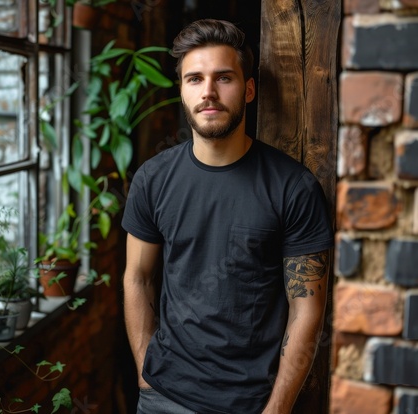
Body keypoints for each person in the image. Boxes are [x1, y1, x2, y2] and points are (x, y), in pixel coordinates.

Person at [122, 18, 333, 414]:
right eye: (194, 79)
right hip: (163, 396)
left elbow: (307, 309)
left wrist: (277, 408)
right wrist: (144, 372)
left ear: (249, 89)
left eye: (224, 78)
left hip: (251, 403)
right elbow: (138, 277)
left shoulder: (293, 187)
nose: (209, 92)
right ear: (182, 91)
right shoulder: (153, 179)